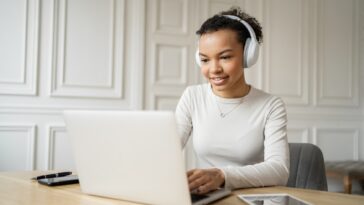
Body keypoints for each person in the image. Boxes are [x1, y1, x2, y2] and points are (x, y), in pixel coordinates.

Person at [175, 7, 289, 195]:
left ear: (248, 55)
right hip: (207, 198)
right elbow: (167, 151)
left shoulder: (271, 105)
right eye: (205, 60)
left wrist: (222, 175)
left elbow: (279, 170)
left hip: (251, 200)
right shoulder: (192, 96)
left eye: (225, 57)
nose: (214, 69)